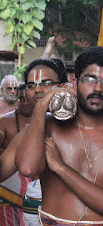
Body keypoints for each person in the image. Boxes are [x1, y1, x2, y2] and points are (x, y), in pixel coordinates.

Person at [15, 46, 103, 226]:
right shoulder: (48, 126)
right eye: (90, 79)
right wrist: (41, 106)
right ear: (75, 83)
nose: (98, 88)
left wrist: (60, 167)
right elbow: (28, 169)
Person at [0, 59, 68, 226]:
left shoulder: (85, 124)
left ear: (63, 85)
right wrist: (41, 109)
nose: (37, 89)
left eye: (46, 83)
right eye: (31, 85)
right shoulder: (27, 134)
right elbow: (23, 169)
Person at [0, 83, 33, 151]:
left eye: (28, 99)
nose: (25, 103)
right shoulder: (4, 122)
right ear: (16, 100)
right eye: (21, 99)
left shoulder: (47, 119)